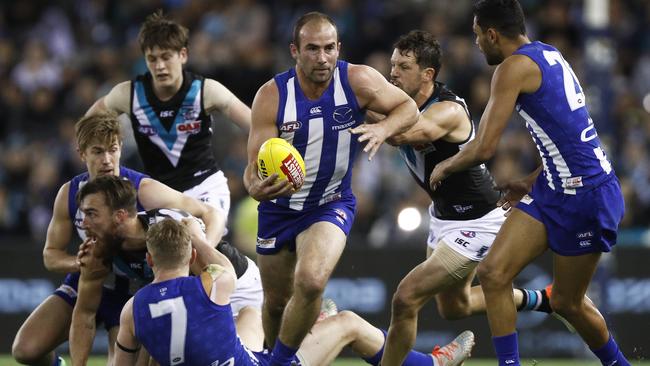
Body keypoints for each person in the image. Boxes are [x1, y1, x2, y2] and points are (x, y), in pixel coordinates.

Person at [429, 1, 630, 366]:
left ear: (492, 34)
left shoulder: (511, 68)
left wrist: (446, 165)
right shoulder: (548, 54)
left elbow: (484, 146)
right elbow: (570, 137)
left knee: (568, 303)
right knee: (493, 273)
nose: (476, 44)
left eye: (477, 36)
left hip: (585, 196)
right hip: (555, 185)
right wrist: (532, 178)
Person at [242, 11, 419, 364]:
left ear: (339, 48)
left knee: (310, 281)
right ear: (295, 50)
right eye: (312, 49)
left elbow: (408, 107)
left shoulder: (357, 80)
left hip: (330, 202)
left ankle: (277, 362)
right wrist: (254, 188)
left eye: (328, 48)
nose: (321, 58)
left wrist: (383, 130)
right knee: (276, 302)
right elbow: (252, 168)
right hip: (278, 209)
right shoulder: (272, 96)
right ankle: (278, 351)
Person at [379, 30, 556, 366]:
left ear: (427, 75)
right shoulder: (401, 105)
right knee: (453, 307)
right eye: (392, 65)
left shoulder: (448, 109)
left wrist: (362, 117)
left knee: (405, 297)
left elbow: (406, 133)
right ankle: (542, 299)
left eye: (403, 66)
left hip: (479, 219)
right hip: (444, 217)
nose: (393, 73)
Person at [11, 113, 226, 366]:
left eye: (113, 150)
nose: (106, 160)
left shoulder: (144, 190)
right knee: (25, 349)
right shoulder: (69, 194)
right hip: (92, 280)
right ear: (82, 154)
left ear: (121, 149)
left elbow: (211, 212)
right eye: (98, 152)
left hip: (135, 289)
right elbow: (51, 255)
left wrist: (203, 250)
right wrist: (82, 263)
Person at [115, 218, 475, 366]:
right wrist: (194, 233)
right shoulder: (213, 282)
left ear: (149, 259)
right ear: (192, 256)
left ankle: (309, 325)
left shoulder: (132, 309)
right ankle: (431, 363)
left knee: (249, 315)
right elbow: (219, 263)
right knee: (348, 322)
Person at [86, 10, 252, 239]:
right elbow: (87, 127)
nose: (160, 66)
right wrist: (103, 156)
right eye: (152, 59)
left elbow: (254, 125)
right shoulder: (128, 94)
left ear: (183, 55)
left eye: (166, 57)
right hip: (159, 194)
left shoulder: (205, 91)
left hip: (206, 189)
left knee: (198, 247)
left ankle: (219, 270)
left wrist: (255, 162)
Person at [68, 175, 262, 365]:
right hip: (206, 287)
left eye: (92, 214)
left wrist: (198, 241)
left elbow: (213, 217)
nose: (83, 223)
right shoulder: (100, 249)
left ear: (119, 216)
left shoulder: (169, 228)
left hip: (232, 287)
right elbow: (84, 312)